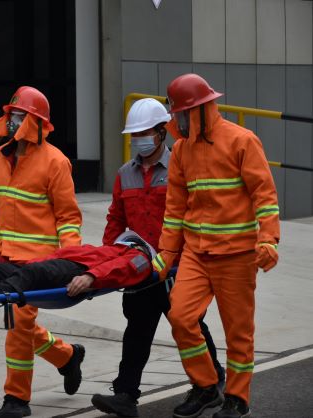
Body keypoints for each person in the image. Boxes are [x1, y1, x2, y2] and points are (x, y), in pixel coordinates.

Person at [153, 74, 280, 418]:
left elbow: (264, 196)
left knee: (238, 332)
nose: (177, 121)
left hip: (237, 255)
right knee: (181, 317)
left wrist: (268, 239)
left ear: (199, 109)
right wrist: (166, 253)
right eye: (176, 114)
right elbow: (175, 208)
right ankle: (206, 386)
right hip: (196, 253)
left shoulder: (242, 141)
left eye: (181, 114)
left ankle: (237, 398)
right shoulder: (182, 151)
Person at [91, 98, 225, 418]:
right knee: (137, 330)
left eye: (144, 133)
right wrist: (109, 259)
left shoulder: (181, 165)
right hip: (140, 267)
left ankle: (212, 380)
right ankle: (125, 395)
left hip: (178, 267)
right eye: (134, 134)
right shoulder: (125, 174)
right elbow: (115, 219)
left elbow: (195, 213)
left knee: (188, 325)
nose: (139, 139)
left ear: (162, 132)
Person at [0, 86, 85, 418]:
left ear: (37, 123)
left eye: (21, 117)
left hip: (37, 264)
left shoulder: (56, 162)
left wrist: (72, 262)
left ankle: (16, 399)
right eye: (12, 115)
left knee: (18, 328)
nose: (14, 122)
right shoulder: (0, 157)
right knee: (20, 325)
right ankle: (67, 356)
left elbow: (68, 218)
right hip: (4, 258)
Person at [0, 230, 155, 298]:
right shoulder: (109, 249)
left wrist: (91, 277)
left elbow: (121, 268)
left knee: (33, 273)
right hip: (51, 264)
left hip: (75, 270)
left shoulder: (140, 256)